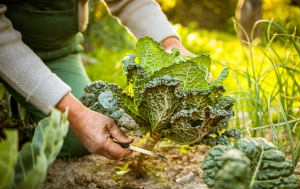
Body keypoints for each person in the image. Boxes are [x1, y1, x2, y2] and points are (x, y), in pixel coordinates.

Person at [0, 0, 195, 160]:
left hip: (59, 53)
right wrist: (75, 114)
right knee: (73, 124)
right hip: (6, 52)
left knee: (76, 140)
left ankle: (22, 108)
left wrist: (170, 44)